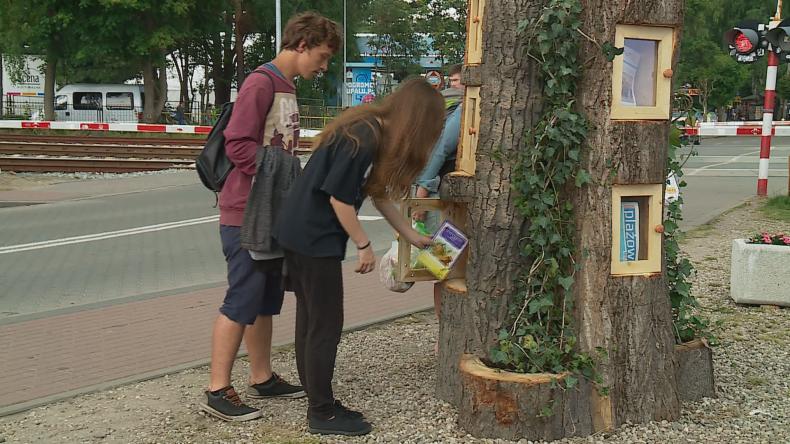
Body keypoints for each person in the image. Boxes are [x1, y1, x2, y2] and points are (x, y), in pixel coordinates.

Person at [274, 78, 445, 436]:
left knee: (311, 319)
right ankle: (322, 413)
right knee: (325, 325)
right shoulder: (365, 138)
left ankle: (318, 399)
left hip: (299, 232)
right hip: (312, 238)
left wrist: (412, 234)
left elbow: (378, 193)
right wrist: (363, 244)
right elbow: (338, 198)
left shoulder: (369, 129)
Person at [199, 11, 342, 423]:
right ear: (301, 45)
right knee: (242, 298)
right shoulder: (260, 83)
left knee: (265, 299)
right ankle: (216, 388)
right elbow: (238, 146)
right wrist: (290, 172)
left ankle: (261, 377)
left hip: (269, 212)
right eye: (322, 55)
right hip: (247, 214)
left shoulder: (284, 85)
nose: (324, 64)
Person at [413, 64, 464, 344]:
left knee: (445, 266)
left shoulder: (463, 106)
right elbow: (441, 149)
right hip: (450, 202)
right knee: (443, 267)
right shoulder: (462, 110)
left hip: (452, 201)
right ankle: (444, 336)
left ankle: (445, 336)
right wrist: (422, 192)